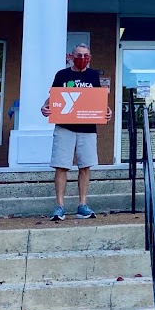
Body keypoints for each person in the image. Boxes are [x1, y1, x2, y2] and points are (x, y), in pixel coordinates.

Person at [41, 43, 111, 220]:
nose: (82, 59)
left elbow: (96, 99)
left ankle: (82, 205)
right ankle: (59, 206)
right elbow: (53, 96)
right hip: (64, 127)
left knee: (85, 166)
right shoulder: (62, 75)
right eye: (79, 55)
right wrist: (45, 107)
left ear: (90, 57)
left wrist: (107, 111)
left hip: (87, 129)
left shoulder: (93, 75)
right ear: (71, 56)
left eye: (86, 55)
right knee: (61, 166)